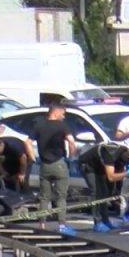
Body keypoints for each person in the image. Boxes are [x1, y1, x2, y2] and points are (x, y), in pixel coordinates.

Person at [27, 100, 77, 234]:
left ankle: (42, 224)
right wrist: (72, 157)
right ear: (56, 112)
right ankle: (61, 225)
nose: (64, 116)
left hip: (44, 164)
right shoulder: (62, 126)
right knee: (61, 196)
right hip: (59, 163)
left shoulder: (39, 125)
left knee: (44, 196)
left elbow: (27, 143)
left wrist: (33, 158)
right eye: (63, 113)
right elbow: (72, 142)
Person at [79, 141, 129, 231]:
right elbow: (111, 177)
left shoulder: (125, 152)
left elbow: (118, 177)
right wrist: (127, 173)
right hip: (88, 166)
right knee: (96, 193)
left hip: (100, 166)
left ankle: (105, 221)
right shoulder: (110, 155)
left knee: (104, 193)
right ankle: (98, 222)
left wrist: (116, 193)